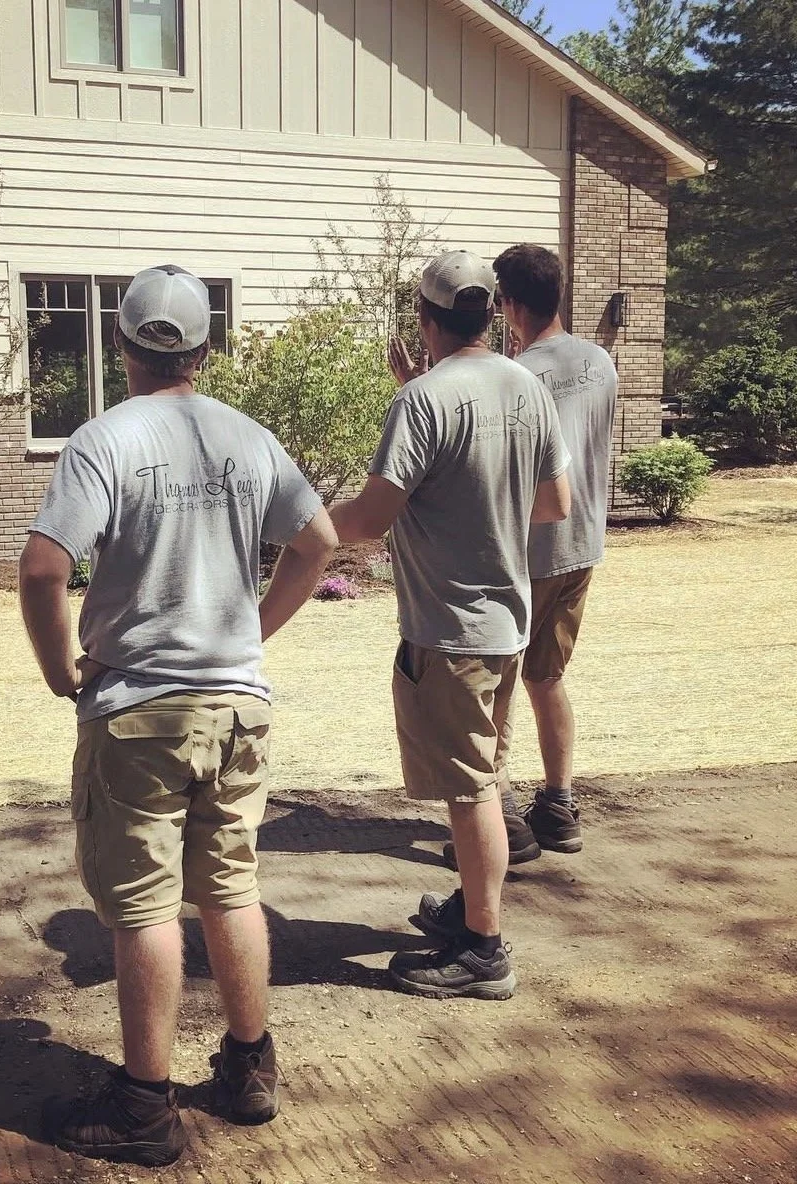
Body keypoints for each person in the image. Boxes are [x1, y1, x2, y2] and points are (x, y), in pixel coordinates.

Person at [19, 264, 336, 1166]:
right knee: (230, 886)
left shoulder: (103, 440)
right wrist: (251, 632)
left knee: (145, 908)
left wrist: (61, 671)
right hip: (238, 710)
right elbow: (318, 542)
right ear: (205, 349)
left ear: (122, 345)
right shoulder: (246, 436)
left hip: (138, 714)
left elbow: (44, 568)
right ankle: (249, 1066)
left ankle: (144, 1108)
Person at [331, 250, 570, 1001]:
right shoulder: (526, 386)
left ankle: (484, 949)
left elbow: (369, 519)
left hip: (450, 631)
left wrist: (304, 524)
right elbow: (554, 504)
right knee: (483, 776)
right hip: (506, 623)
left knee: (470, 793)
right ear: (492, 314)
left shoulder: (423, 400)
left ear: (424, 319)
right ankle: (471, 910)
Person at [438, 244, 616, 869]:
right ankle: (559, 806)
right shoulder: (599, 361)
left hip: (526, 553)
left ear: (508, 304)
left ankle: (504, 817)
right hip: (583, 546)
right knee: (548, 677)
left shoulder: (519, 376)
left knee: (499, 688)